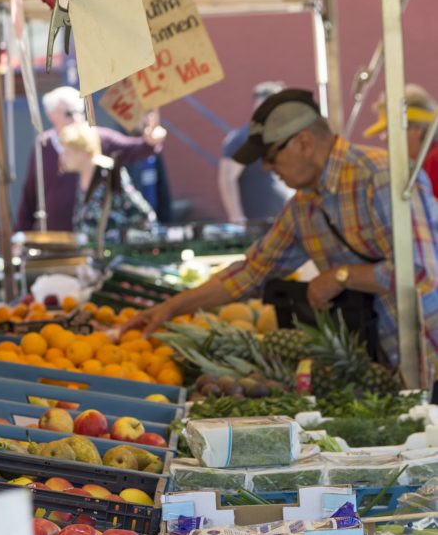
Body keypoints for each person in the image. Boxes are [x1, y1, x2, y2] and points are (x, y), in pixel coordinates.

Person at [125, 88, 438, 379]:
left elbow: (421, 272)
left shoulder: (380, 176)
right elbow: (249, 274)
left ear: (303, 143)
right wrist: (169, 308)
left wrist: (340, 276)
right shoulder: (304, 207)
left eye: (270, 155)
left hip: (429, 353)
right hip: (383, 366)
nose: (265, 168)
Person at [15, 86, 166, 232]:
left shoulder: (100, 143)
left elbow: (135, 150)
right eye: (69, 113)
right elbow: (30, 191)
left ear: (87, 151)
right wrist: (21, 232)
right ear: (51, 115)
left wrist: (150, 143)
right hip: (59, 237)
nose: (77, 118)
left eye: (80, 112)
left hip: (99, 245)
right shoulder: (43, 145)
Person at [58, 122, 157, 242]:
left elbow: (143, 215)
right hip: (92, 255)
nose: (62, 157)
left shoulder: (108, 173)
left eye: (68, 152)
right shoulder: (80, 176)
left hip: (118, 255)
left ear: (85, 152)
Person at [218, 81, 293, 224]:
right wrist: (236, 216)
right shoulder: (243, 139)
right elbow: (227, 179)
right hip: (257, 226)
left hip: (286, 221)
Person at [364, 84, 438, 199]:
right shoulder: (421, 163)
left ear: (417, 129)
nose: (385, 139)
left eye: (390, 132)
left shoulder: (434, 161)